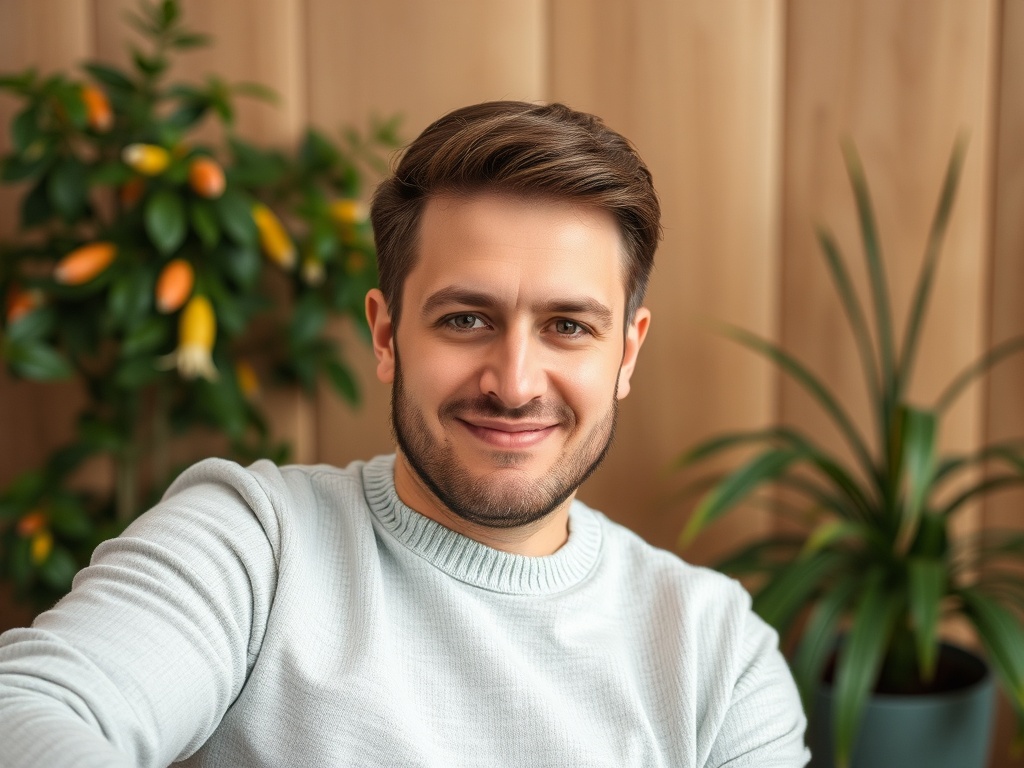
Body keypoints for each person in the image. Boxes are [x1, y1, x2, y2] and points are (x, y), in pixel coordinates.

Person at [0, 100, 809, 767]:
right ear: (387, 337)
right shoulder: (252, 542)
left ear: (626, 354)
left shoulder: (717, 653)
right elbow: (26, 711)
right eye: (466, 318)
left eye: (567, 326)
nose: (515, 382)